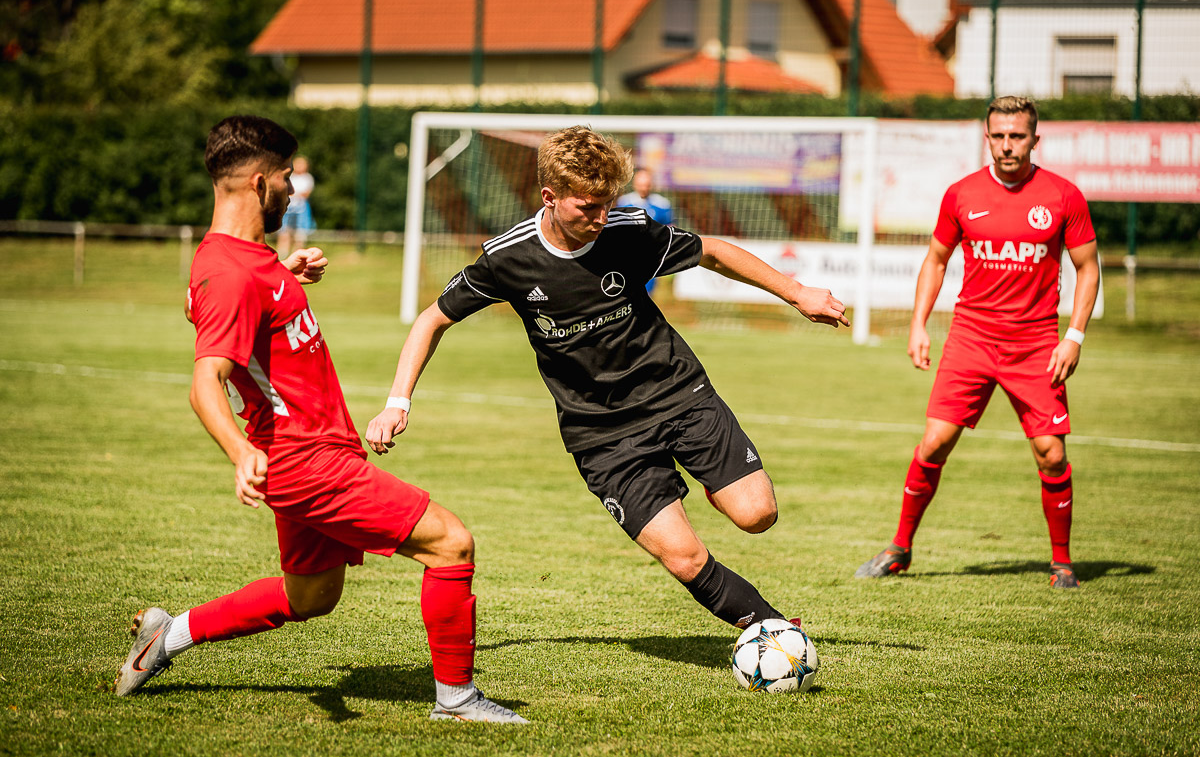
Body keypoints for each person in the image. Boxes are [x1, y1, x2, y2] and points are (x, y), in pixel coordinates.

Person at [114, 115, 527, 724]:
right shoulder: (231, 271)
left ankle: (167, 635)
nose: (293, 189)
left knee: (312, 595)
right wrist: (239, 453)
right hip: (304, 459)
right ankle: (458, 700)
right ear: (260, 183)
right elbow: (206, 383)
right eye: (286, 177)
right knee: (451, 543)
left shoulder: (241, 260)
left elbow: (207, 305)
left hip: (311, 452)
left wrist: (283, 275)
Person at [366, 125, 849, 633]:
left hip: (677, 394)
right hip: (602, 434)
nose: (601, 219)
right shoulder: (508, 258)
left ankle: (713, 486)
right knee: (684, 556)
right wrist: (398, 403)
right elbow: (432, 320)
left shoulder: (628, 231)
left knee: (757, 515)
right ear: (550, 197)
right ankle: (776, 633)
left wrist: (797, 293)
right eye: (588, 207)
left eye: (607, 204)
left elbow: (712, 251)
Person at [854, 96, 1101, 589]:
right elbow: (936, 260)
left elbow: (1088, 267)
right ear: (987, 138)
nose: (1007, 145)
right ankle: (899, 548)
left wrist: (1073, 336)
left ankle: (1062, 563)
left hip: (1035, 343)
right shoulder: (961, 194)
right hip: (971, 338)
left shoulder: (1063, 196)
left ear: (1034, 139)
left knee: (1052, 454)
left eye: (1017, 136)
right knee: (934, 443)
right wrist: (918, 324)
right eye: (999, 136)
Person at [616, 167, 673, 294]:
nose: (644, 188)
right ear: (635, 184)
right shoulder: (624, 202)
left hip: (650, 256)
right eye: (641, 184)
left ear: (652, 184)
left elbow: (669, 228)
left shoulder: (662, 204)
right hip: (626, 255)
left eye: (646, 184)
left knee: (646, 293)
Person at [277, 154, 315, 254]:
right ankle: (282, 253)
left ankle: (298, 252)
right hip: (288, 208)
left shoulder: (308, 178)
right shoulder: (290, 177)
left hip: (301, 209)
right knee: (284, 231)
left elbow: (305, 194)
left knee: (300, 233)